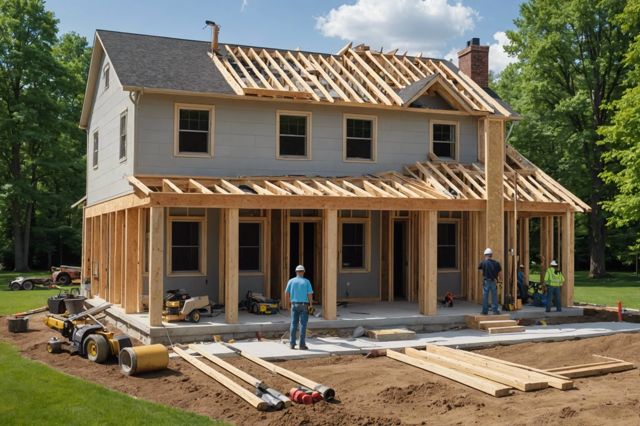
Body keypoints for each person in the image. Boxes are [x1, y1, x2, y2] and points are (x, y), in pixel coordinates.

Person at [285, 264, 314, 350]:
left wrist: (287, 304)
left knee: (293, 324)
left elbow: (286, 293)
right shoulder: (306, 281)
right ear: (303, 272)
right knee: (303, 325)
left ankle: (292, 344)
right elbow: (310, 294)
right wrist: (311, 304)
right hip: (304, 305)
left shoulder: (291, 281)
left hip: (294, 304)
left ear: (296, 272)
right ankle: (302, 345)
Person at [478, 248, 502, 315]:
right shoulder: (496, 263)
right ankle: (495, 311)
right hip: (493, 281)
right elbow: (500, 273)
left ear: (485, 255)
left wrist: (483, 278)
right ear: (491, 255)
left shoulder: (483, 262)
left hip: (486, 281)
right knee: (494, 296)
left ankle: (484, 311)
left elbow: (480, 270)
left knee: (485, 296)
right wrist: (500, 280)